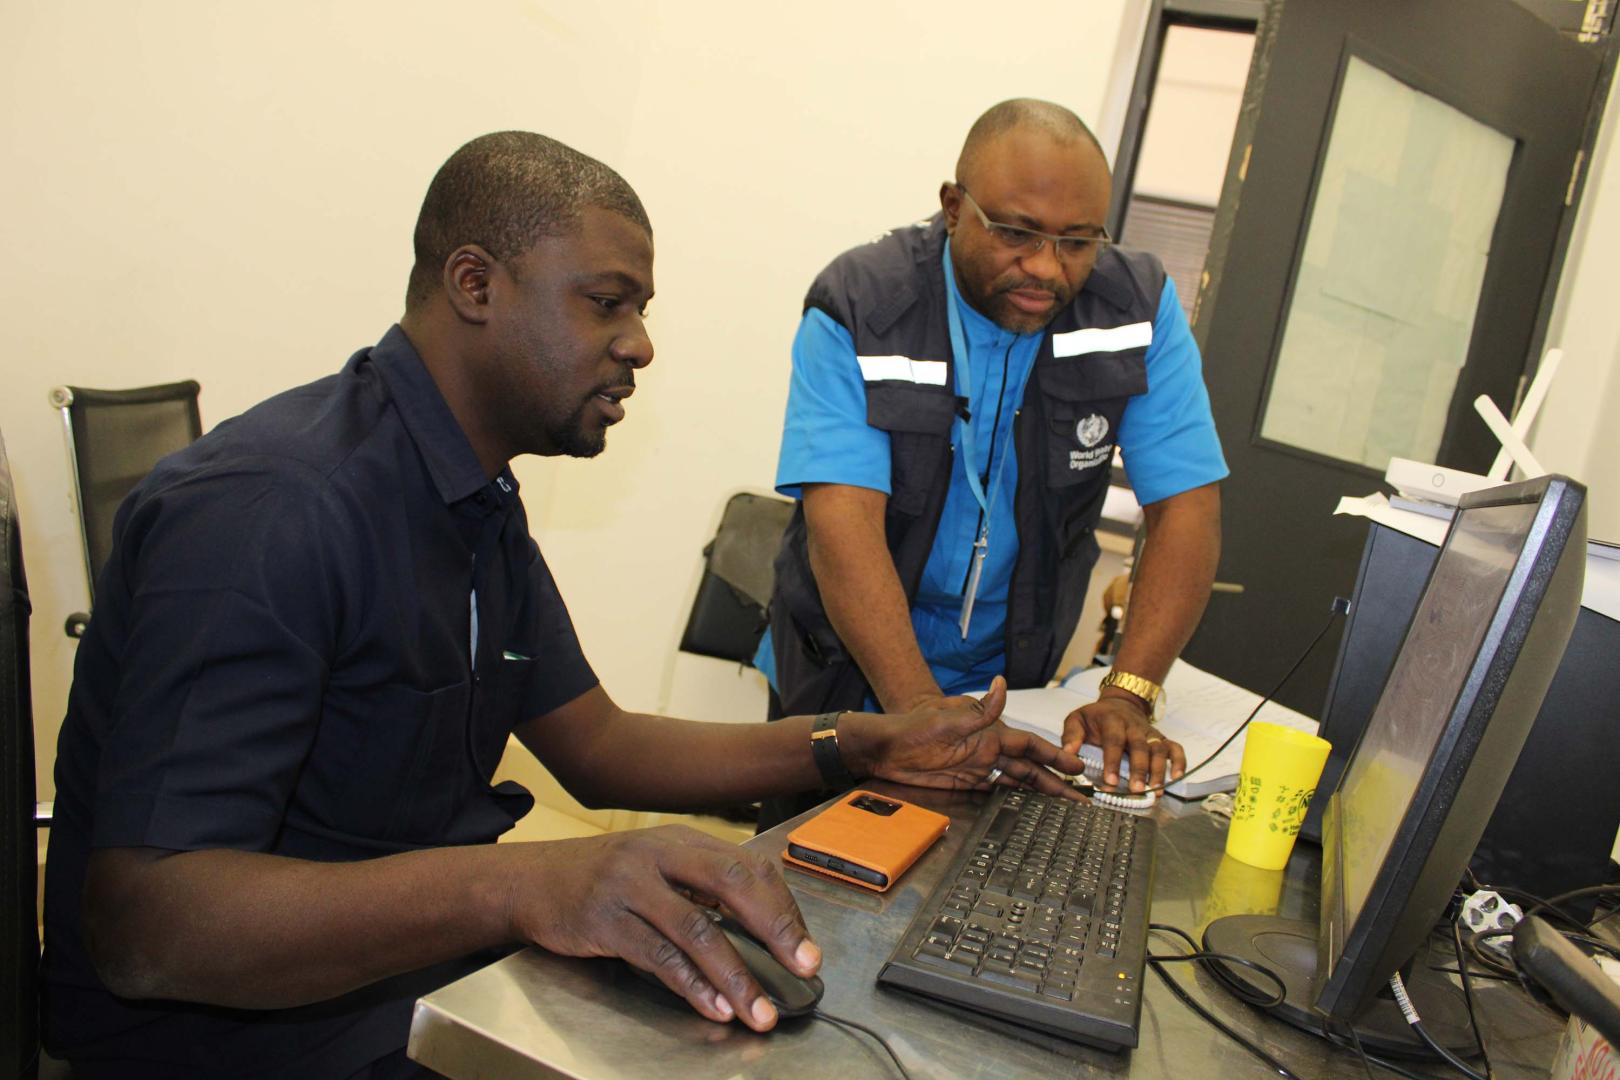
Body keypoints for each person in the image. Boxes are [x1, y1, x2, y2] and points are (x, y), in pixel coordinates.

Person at [41, 131, 1089, 1080]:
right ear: (475, 284)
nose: (639, 344)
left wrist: (860, 744)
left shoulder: (470, 500)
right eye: (607, 302)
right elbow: (151, 928)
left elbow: (598, 744)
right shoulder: (273, 511)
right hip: (238, 1044)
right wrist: (521, 885)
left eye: (640, 310)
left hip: (403, 988)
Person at [757, 99, 1226, 830]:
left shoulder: (1138, 309)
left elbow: (1185, 505)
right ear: (953, 207)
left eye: (1077, 241)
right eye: (1016, 233)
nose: (1046, 266)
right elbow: (841, 523)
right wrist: (919, 715)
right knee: (815, 879)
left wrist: (1128, 691)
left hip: (1013, 679)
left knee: (967, 893)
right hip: (849, 673)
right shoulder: (859, 302)